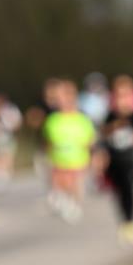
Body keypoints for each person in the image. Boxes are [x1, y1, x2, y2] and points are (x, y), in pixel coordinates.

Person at [100, 76, 133, 244]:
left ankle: (132, 221)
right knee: (119, 192)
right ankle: (124, 220)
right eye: (119, 95)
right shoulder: (110, 116)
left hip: (132, 160)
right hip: (116, 160)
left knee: (130, 190)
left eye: (125, 95)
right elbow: (103, 136)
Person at [42, 80, 96, 223]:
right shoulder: (52, 119)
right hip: (58, 159)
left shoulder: (82, 119)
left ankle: (74, 204)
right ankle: (64, 201)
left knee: (73, 183)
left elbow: (90, 141)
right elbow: (48, 142)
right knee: (60, 183)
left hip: (77, 159)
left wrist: (92, 159)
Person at [0, 93, 23, 187]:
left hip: (8, 136)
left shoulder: (11, 109)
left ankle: (5, 174)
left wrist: (11, 126)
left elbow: (17, 122)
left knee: (7, 154)